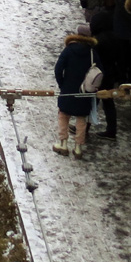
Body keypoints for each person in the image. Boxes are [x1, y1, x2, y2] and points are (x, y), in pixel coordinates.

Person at [53, 22, 101, 159]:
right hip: (85, 91)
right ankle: (78, 147)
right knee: (81, 119)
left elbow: (58, 69)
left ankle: (62, 143)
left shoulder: (69, 49)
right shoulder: (92, 53)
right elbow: (100, 71)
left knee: (63, 115)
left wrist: (62, 84)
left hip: (68, 88)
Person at [88, 9, 121, 139]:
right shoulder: (115, 37)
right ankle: (111, 129)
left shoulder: (96, 41)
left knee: (92, 102)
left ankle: (84, 127)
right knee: (108, 102)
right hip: (110, 74)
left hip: (98, 75)